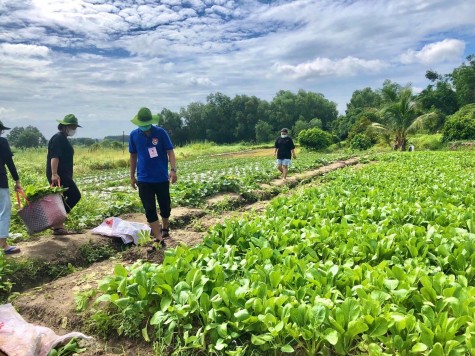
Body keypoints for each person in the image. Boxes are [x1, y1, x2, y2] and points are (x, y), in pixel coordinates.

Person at [129, 107, 177, 249]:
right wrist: (132, 176)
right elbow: (133, 156)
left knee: (165, 206)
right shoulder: (134, 135)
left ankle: (165, 226)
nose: (145, 128)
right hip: (144, 178)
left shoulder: (160, 133)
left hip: (161, 177)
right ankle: (158, 237)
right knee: (149, 208)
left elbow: (170, 152)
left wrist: (173, 170)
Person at [46, 114, 82, 235]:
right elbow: (54, 157)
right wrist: (54, 173)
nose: (74, 129)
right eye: (72, 126)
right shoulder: (58, 138)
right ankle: (56, 222)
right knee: (75, 195)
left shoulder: (62, 138)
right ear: (64, 126)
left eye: (75, 127)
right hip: (59, 174)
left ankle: (58, 227)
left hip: (62, 174)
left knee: (60, 199)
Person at [0, 121, 22, 254]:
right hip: (0, 181)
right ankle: (3, 244)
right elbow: (9, 162)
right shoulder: (2, 142)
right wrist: (17, 180)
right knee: (4, 211)